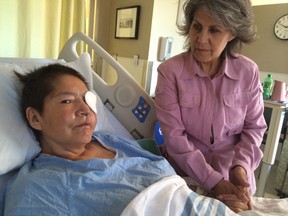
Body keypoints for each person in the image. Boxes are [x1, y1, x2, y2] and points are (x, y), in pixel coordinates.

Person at [0, 64, 176, 215]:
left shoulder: (108, 140)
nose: (85, 109)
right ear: (35, 118)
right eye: (67, 101)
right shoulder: (39, 188)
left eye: (87, 99)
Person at [154, 0, 267, 212]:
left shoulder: (247, 72)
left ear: (232, 33)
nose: (201, 39)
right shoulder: (170, 72)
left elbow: (255, 127)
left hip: (232, 178)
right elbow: (174, 136)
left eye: (214, 30)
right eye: (197, 26)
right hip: (185, 176)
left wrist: (240, 168)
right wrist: (212, 181)